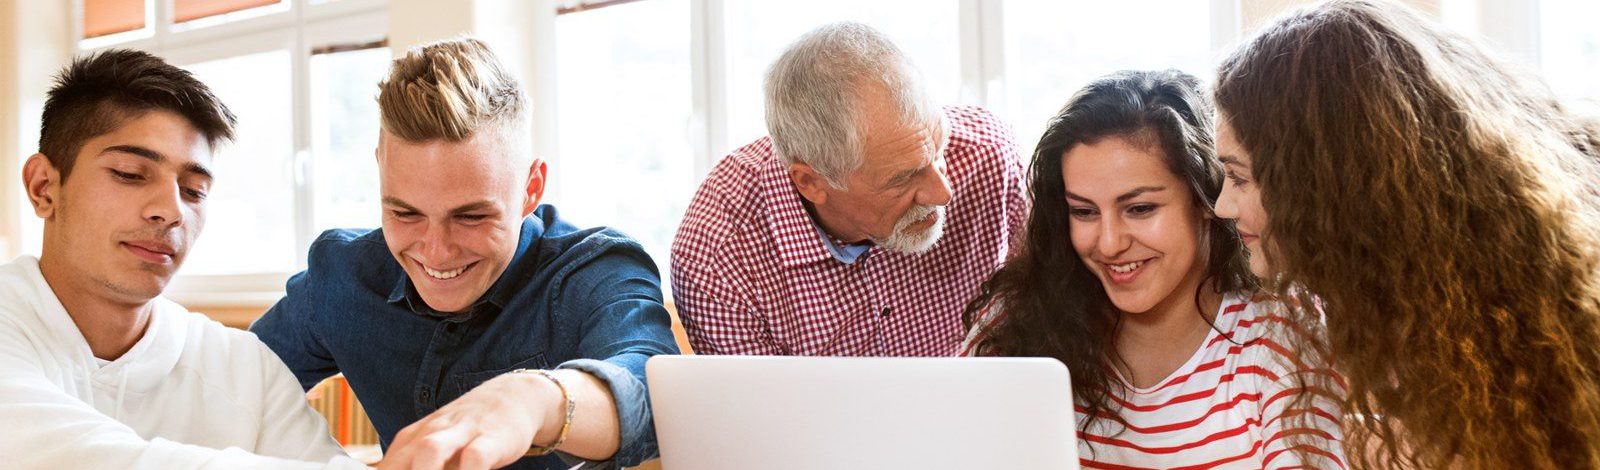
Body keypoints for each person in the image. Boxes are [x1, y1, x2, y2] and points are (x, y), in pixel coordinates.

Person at [250, 38, 679, 470]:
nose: (437, 252)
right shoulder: (341, 278)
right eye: (405, 213)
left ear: (531, 188)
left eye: (471, 216)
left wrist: (534, 400)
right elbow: (238, 380)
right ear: (380, 170)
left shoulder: (595, 271)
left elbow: (655, 397)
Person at [1211, 0, 1600, 467]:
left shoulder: (1508, 337)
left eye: (1239, 178)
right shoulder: (1390, 312)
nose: (1222, 206)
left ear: (1320, 183)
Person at [0, 49, 364, 469]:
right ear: (44, 187)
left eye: (193, 191)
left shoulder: (245, 366)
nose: (171, 211)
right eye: (129, 174)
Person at [961, 70, 1345, 468]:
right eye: (1084, 212)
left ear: (1205, 197)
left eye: (1140, 208)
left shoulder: (1284, 334)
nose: (1109, 244)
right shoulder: (1014, 321)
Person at [671, 22, 1028, 355]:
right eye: (902, 178)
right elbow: (751, 403)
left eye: (939, 151)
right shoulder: (719, 257)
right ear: (810, 182)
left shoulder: (987, 157)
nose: (943, 193)